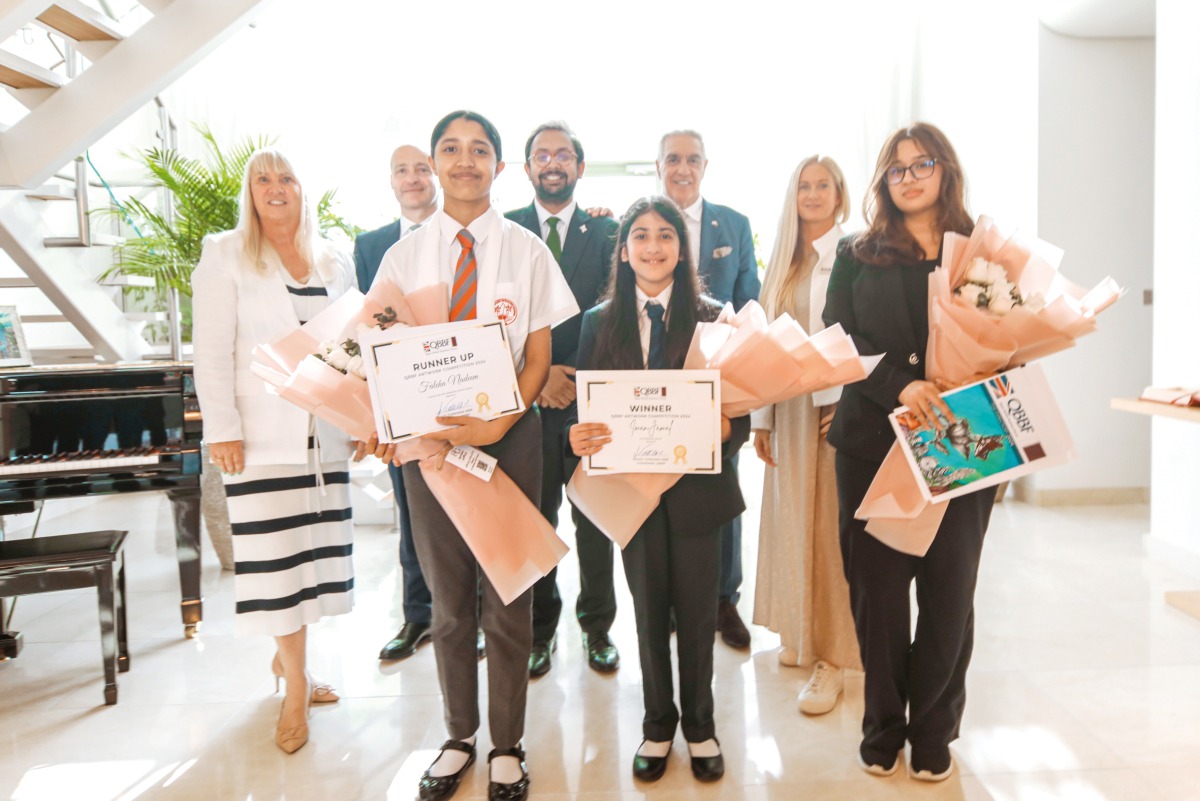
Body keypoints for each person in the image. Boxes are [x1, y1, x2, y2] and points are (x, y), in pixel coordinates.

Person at [371, 110, 578, 801]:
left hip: (509, 436)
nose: (466, 161)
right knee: (450, 598)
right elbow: (382, 356)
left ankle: (508, 745)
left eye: (480, 149)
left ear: (499, 165)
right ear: (433, 163)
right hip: (427, 443)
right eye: (451, 150)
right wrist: (389, 423)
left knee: (509, 593)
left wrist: (497, 423)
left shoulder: (525, 249)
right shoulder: (402, 258)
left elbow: (540, 355)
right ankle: (460, 735)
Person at [822, 123, 995, 781]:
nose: (911, 177)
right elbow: (839, 339)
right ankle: (884, 725)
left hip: (964, 441)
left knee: (951, 592)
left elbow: (1011, 333)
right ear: (883, 183)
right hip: (872, 442)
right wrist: (902, 383)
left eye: (923, 164)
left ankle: (934, 732)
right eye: (897, 169)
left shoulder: (982, 252)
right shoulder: (857, 252)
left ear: (946, 170)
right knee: (880, 593)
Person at [569, 196, 750, 784]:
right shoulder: (598, 323)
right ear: (623, 251)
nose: (653, 247)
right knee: (648, 613)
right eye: (640, 236)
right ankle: (656, 723)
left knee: (698, 615)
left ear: (682, 246)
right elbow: (585, 411)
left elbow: (741, 409)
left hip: (699, 495)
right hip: (634, 495)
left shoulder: (715, 317)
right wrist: (581, 435)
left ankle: (700, 726)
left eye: (665, 236)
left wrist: (727, 426)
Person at [192, 148, 356, 754]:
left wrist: (363, 418)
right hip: (258, 440)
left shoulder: (335, 257)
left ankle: (291, 664)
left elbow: (354, 346)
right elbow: (210, 351)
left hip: (323, 438)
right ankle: (295, 688)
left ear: (303, 188)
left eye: (286, 176)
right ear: (250, 191)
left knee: (307, 564)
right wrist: (222, 428)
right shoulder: (225, 253)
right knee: (275, 567)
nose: (276, 186)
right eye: (263, 178)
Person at [505, 121, 620, 678]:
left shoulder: (609, 233)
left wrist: (579, 379)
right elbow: (494, 318)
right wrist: (539, 374)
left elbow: (618, 312)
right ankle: (539, 631)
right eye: (541, 155)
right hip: (527, 403)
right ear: (527, 168)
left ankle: (598, 627)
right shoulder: (506, 233)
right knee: (538, 521)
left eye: (564, 154)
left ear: (580, 166)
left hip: (591, 402)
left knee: (595, 521)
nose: (553, 162)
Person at [752, 156, 862, 715]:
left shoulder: (854, 252)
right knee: (795, 518)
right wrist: (763, 420)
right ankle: (803, 630)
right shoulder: (785, 261)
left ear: (840, 196)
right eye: (804, 186)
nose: (813, 195)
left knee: (829, 529)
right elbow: (768, 344)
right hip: (791, 409)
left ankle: (835, 656)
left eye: (824, 186)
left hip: (836, 410)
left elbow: (861, 337)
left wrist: (846, 402)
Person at [656, 130, 759, 649]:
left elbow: (749, 309)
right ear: (658, 165)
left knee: (723, 492)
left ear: (705, 166)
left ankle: (723, 600)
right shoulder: (639, 223)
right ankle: (673, 601)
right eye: (673, 158)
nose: (682, 168)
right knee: (662, 494)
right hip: (654, 387)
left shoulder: (733, 225)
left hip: (717, 388)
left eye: (692, 159)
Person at [353, 144, 448, 663]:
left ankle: (468, 613)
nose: (412, 179)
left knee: (466, 510)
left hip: (456, 394)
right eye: (401, 171)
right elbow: (361, 328)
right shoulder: (369, 246)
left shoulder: (460, 237)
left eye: (420, 168)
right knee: (411, 514)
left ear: (434, 176)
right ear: (390, 182)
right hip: (400, 403)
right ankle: (417, 615)